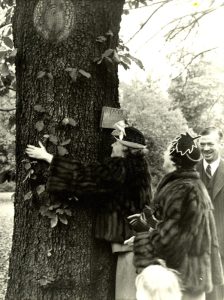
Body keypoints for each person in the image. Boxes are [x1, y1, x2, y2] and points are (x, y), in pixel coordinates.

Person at [26, 122, 152, 300]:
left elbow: (89, 175)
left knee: (127, 294)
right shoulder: (137, 167)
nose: (111, 145)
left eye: (116, 142)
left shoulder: (120, 168)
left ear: (124, 149)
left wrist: (48, 157)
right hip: (135, 237)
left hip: (129, 241)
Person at [133, 132, 224, 300]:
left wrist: (144, 233)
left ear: (175, 160)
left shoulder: (183, 189)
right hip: (186, 275)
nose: (163, 154)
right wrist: (151, 222)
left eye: (167, 151)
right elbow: (178, 228)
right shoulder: (187, 185)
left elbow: (172, 238)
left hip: (181, 280)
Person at [197, 127, 224, 300]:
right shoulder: (191, 171)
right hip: (198, 248)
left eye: (210, 144)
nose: (206, 148)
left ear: (221, 144)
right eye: (202, 144)